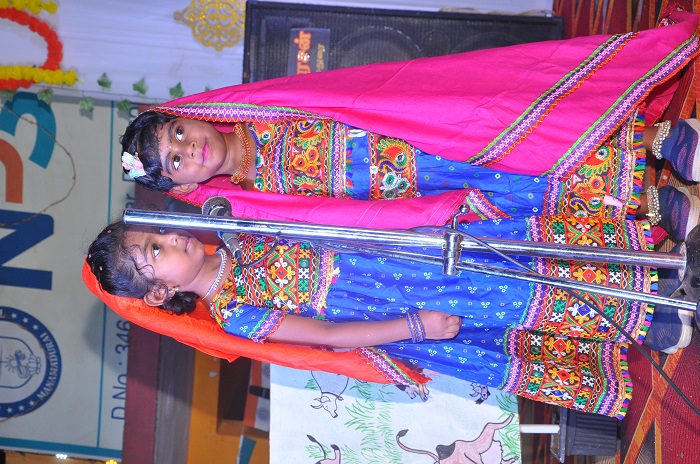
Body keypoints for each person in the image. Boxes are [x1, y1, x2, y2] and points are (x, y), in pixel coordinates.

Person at [85, 208, 692, 419]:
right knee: (508, 304)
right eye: (154, 254)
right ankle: (640, 320)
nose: (170, 240)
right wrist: (414, 327)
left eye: (157, 234)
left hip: (399, 252)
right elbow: (327, 334)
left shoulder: (234, 226)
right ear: (160, 295)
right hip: (391, 302)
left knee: (508, 257)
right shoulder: (235, 315)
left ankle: (645, 270)